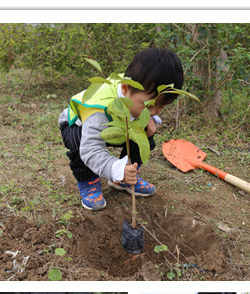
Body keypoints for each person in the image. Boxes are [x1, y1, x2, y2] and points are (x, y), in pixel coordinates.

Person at [58, 47, 184, 211]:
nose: (153, 112)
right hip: (78, 125)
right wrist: (115, 168)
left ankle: (123, 179)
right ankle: (88, 180)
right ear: (125, 89)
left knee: (143, 135)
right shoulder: (101, 110)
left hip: (115, 126)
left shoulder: (137, 89)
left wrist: (147, 120)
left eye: (161, 107)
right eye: (149, 106)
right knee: (78, 141)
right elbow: (91, 149)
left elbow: (147, 111)